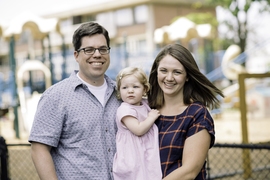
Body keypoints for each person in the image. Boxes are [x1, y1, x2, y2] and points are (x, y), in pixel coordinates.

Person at [28, 22, 121, 180]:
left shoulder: (121, 94)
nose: (97, 54)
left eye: (103, 49)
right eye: (89, 50)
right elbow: (39, 150)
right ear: (76, 55)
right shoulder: (55, 96)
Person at [147, 44, 224, 180]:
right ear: (156, 72)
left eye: (177, 72)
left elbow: (189, 171)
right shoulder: (147, 110)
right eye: (164, 70)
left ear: (187, 76)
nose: (169, 78)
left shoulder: (197, 114)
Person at [113, 67, 162, 180]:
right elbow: (139, 130)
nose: (130, 91)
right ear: (119, 90)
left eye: (135, 87)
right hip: (132, 155)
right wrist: (151, 117)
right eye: (125, 87)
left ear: (144, 89)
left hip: (144, 152)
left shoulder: (144, 104)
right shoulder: (125, 110)